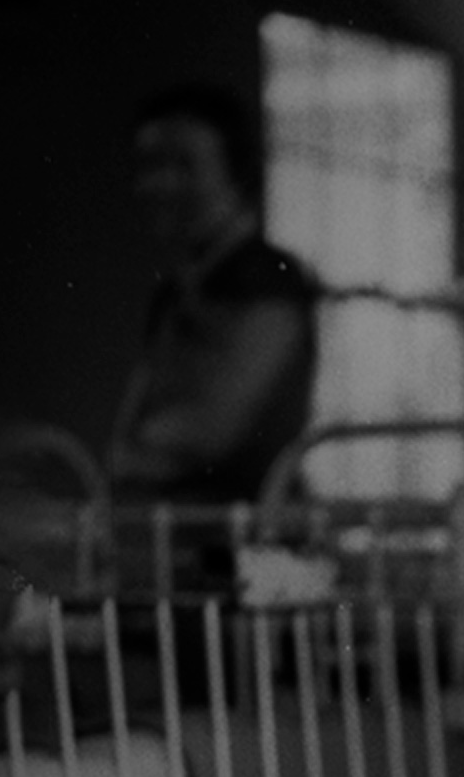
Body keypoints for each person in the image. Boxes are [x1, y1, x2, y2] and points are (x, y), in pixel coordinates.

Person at [105, 84, 319, 504]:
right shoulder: (178, 289)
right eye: (149, 165)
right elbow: (123, 443)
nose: (160, 184)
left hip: (246, 539)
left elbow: (210, 429)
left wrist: (148, 443)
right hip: (175, 533)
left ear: (235, 170)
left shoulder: (267, 281)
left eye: (184, 164)